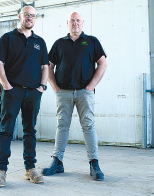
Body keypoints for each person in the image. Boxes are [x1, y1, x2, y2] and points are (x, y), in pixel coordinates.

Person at [41, 12, 107, 181]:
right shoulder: (59, 43)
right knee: (62, 126)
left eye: (78, 21)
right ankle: (57, 162)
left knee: (88, 126)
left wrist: (91, 86)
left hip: (85, 92)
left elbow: (102, 63)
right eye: (72, 21)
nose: (75, 23)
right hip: (63, 92)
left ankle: (94, 163)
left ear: (82, 23)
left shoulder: (91, 41)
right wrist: (54, 86)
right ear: (67, 23)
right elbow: (48, 65)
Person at [0, 6, 49, 187]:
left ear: (35, 19)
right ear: (20, 16)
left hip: (33, 92)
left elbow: (44, 66)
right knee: (6, 129)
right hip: (13, 91)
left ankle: (30, 168)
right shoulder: (8, 38)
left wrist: (42, 86)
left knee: (30, 130)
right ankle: (1, 171)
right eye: (26, 15)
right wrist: (6, 85)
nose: (29, 18)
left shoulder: (40, 41)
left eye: (33, 16)